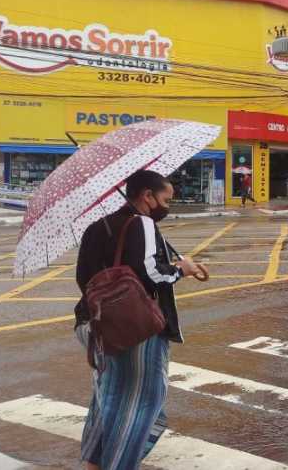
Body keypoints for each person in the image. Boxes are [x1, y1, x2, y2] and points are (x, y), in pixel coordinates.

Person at [74, 170, 203, 470]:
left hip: (96, 326)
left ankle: (93, 465)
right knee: (140, 405)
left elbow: (83, 278)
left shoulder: (96, 228)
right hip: (135, 331)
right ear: (147, 196)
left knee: (109, 400)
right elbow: (151, 274)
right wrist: (181, 269)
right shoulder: (142, 223)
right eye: (166, 200)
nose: (168, 206)